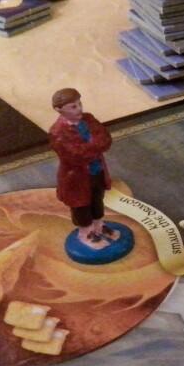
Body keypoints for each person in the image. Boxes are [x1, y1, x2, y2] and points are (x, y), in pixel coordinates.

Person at [49, 88, 116, 250]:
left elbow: (106, 140)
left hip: (97, 170)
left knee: (97, 199)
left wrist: (89, 147)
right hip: (76, 177)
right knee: (81, 205)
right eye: (73, 106)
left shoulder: (89, 119)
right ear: (59, 110)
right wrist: (94, 146)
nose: (79, 109)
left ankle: (99, 226)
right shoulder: (57, 132)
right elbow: (75, 156)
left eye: (79, 104)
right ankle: (86, 233)